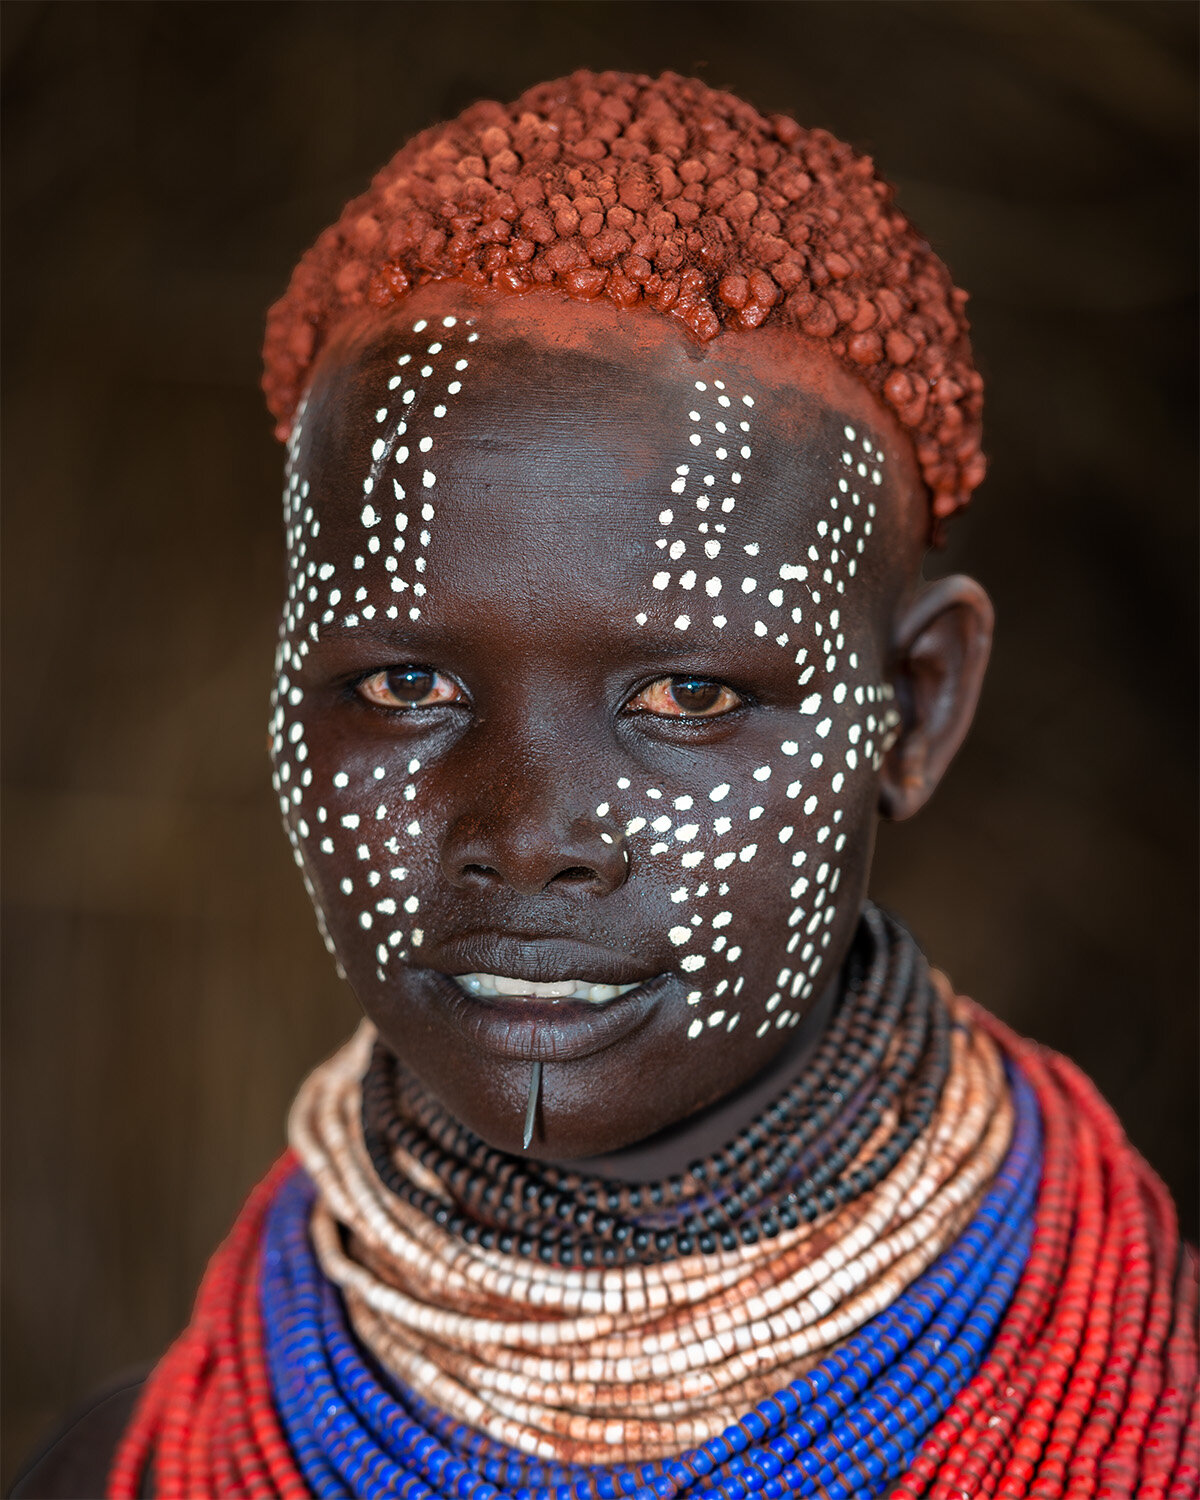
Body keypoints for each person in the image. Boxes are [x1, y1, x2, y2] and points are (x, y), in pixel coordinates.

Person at [15, 69, 1196, 1500]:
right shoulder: (134, 1467)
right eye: (403, 687)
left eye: (689, 697)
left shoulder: (1152, 1413)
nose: (526, 836)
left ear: (918, 709)